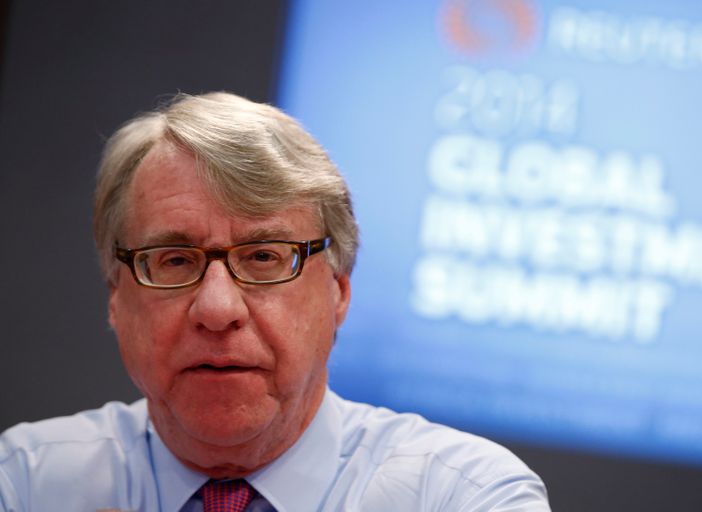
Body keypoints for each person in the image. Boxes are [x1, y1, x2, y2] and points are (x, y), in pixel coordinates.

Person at [0, 92, 550, 511]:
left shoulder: (463, 495)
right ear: (116, 299)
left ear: (338, 292)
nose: (217, 310)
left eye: (265, 257)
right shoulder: (24, 482)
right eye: (173, 260)